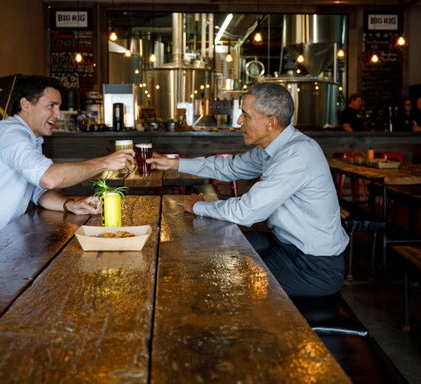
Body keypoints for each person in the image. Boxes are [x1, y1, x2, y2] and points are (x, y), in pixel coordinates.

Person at [148, 82, 349, 298]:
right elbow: (230, 167)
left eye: (246, 115)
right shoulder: (273, 148)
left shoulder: (296, 154)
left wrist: (198, 206)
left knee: (221, 276)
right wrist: (176, 164)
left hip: (314, 268)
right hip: (285, 247)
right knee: (210, 247)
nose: (239, 121)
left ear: (270, 122)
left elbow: (247, 212)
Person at [0, 75, 135, 271]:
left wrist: (70, 204)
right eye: (51, 106)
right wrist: (105, 162)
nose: (58, 115)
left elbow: (39, 191)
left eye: (59, 107)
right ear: (26, 105)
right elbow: (49, 178)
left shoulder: (30, 140)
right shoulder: (10, 132)